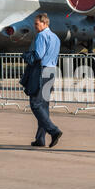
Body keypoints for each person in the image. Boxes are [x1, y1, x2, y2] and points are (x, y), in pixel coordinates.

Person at [29, 13, 62, 148]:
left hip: (42, 71)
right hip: (52, 70)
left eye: (37, 24)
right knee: (44, 105)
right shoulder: (55, 37)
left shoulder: (41, 36)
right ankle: (40, 138)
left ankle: (53, 130)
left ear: (44, 23)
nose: (35, 26)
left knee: (35, 104)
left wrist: (27, 56)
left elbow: (39, 54)